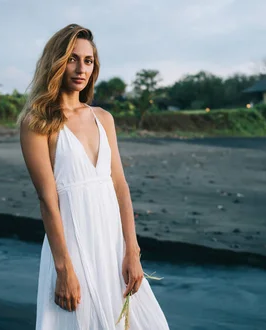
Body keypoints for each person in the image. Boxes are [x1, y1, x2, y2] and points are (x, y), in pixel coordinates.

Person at [17, 24, 170, 329]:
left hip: (112, 247)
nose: (80, 68)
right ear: (56, 62)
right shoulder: (37, 122)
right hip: (72, 248)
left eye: (88, 61)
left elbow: (120, 187)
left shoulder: (103, 118)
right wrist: (63, 270)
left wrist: (132, 251)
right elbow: (48, 200)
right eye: (72, 59)